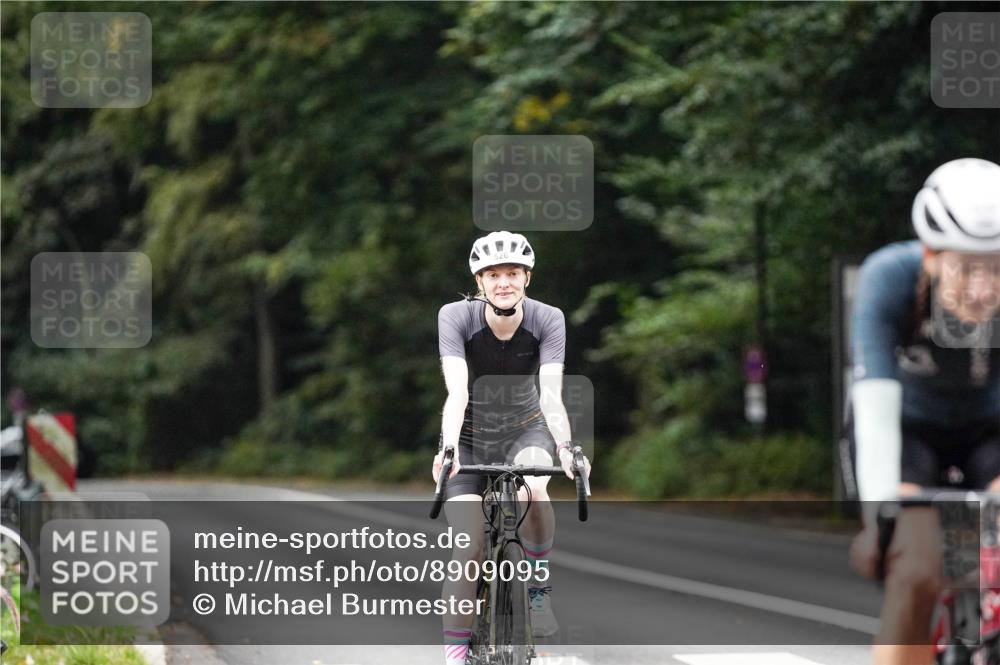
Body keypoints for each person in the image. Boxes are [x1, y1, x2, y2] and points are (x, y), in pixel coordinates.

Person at [848, 158, 1000, 665]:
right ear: (931, 254)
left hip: (989, 431)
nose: (982, 289)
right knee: (916, 568)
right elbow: (872, 407)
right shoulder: (889, 277)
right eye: (967, 266)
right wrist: (878, 519)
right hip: (908, 433)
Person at [431, 231, 591, 665]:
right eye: (493, 274)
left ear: (527, 278)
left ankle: (537, 590)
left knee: (536, 487)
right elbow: (457, 391)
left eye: (513, 273)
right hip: (467, 436)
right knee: (468, 546)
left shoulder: (548, 318)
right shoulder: (456, 316)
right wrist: (448, 448)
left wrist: (565, 448)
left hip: (527, 431)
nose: (504, 282)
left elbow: (551, 395)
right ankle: (455, 656)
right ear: (479, 282)